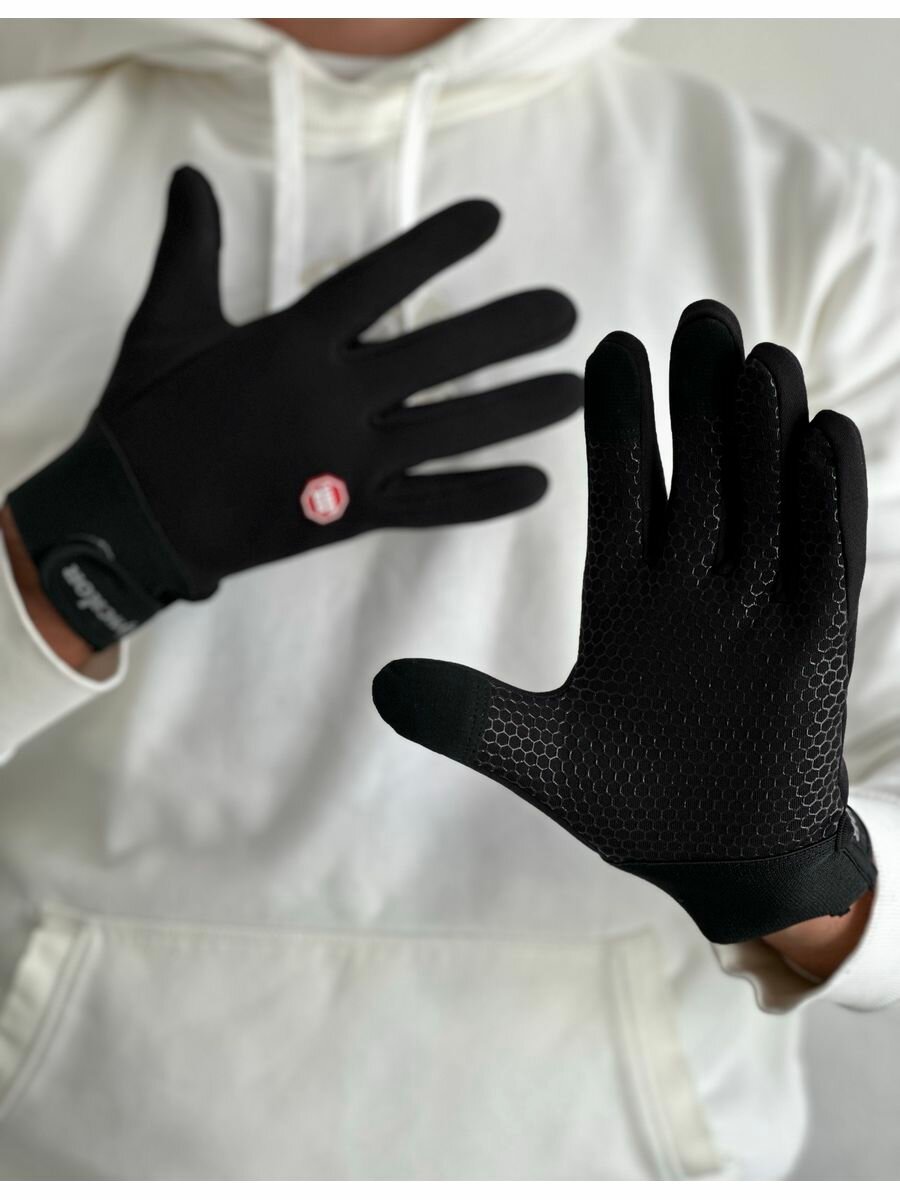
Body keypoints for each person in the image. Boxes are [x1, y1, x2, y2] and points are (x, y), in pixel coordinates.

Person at [0, 17, 897, 1181]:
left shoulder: (806, 215)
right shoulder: (21, 172)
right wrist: (72, 562)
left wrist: (799, 878)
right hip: (75, 1149)